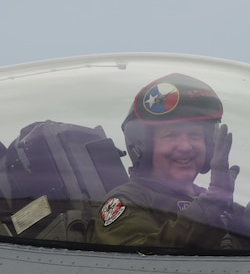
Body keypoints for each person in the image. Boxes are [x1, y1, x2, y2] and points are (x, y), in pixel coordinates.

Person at [92, 73, 241, 249]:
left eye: (194, 135)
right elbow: (140, 262)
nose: (185, 146)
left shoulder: (208, 199)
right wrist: (208, 211)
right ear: (143, 147)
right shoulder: (128, 201)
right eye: (171, 135)